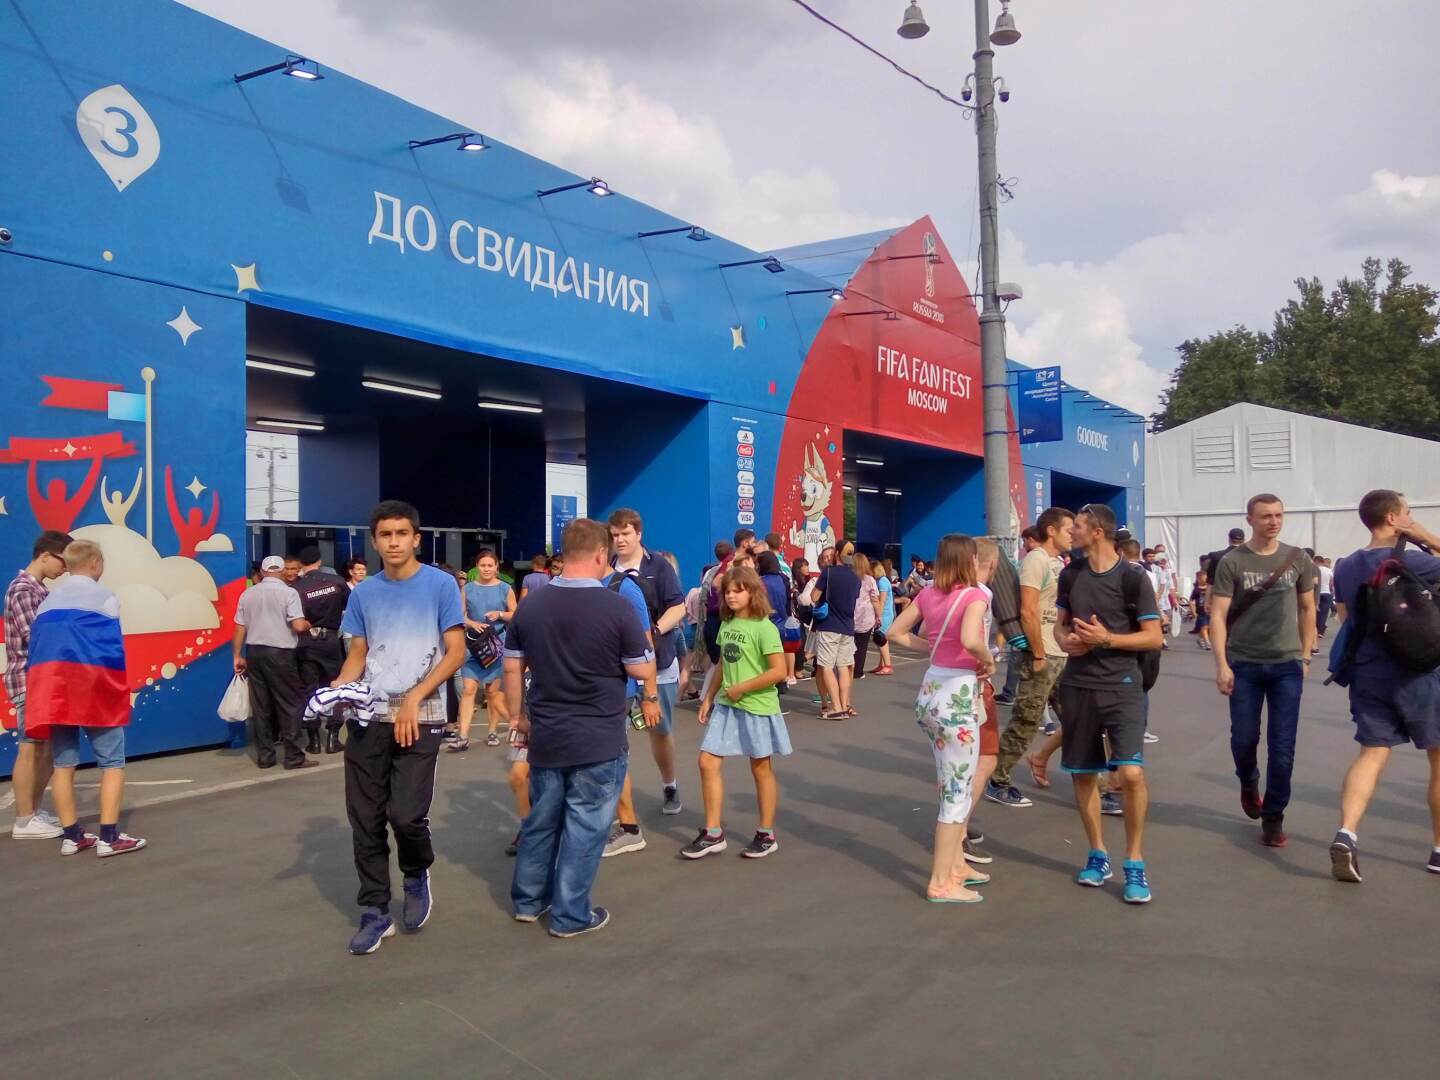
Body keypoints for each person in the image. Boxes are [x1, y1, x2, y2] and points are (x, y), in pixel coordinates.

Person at [504, 518, 657, 937]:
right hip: (598, 735)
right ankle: (570, 914)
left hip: (546, 731)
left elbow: (512, 668)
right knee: (586, 827)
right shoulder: (617, 606)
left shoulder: (531, 605)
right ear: (601, 554)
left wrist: (518, 717)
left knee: (542, 820)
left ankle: (528, 901)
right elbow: (642, 668)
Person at [328, 501, 465, 955]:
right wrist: (338, 688)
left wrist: (414, 697)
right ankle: (374, 910)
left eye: (401, 533)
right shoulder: (363, 593)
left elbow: (456, 652)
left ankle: (415, 872)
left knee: (405, 815)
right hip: (369, 716)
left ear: (416, 538)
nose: (393, 542)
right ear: (374, 541)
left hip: (420, 714)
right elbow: (358, 654)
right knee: (365, 818)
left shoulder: (440, 585)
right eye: (385, 534)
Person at [1328, 490, 1440, 882]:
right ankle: (1439, 850)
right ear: (1392, 518)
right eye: (1407, 512)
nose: (1411, 518)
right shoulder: (1415, 560)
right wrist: (1426, 536)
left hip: (1369, 673)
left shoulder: (1346, 567)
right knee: (1438, 758)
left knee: (1371, 754)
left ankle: (1347, 832)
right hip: (1421, 672)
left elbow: (1345, 617)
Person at [1053, 503, 1163, 904]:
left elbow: (1153, 637)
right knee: (1084, 774)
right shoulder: (1070, 574)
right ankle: (1098, 854)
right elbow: (1060, 626)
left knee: (1130, 774)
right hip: (1078, 684)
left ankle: (1135, 861)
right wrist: (1066, 641)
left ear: (1097, 532)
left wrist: (1107, 640)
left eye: (1078, 526)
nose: (1071, 531)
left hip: (1123, 685)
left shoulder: (1134, 578)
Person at [887, 534, 994, 903]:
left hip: (931, 691)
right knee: (956, 792)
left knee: (951, 783)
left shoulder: (929, 593)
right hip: (958, 697)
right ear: (970, 559)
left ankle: (956, 867)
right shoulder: (976, 595)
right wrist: (989, 659)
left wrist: (931, 647)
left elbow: (895, 632)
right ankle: (941, 881)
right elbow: (970, 638)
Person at [1208, 494, 1317, 848]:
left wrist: (1305, 656)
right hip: (1244, 665)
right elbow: (1218, 615)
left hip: (1287, 665)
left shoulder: (1298, 558)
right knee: (1244, 738)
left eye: (1279, 515)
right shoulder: (1233, 561)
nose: (1274, 521)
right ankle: (1248, 779)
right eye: (1266, 516)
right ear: (1250, 520)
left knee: (1283, 746)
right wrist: (1222, 664)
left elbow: (1308, 608)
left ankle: (1274, 816)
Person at [25, 539, 146, 856]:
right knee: (113, 764)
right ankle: (109, 837)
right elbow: (111, 648)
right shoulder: (105, 597)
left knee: (63, 765)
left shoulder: (47, 603)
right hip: (95, 691)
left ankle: (72, 836)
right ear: (95, 564)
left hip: (55, 693)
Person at [686, 565, 792, 858]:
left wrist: (743, 687)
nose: (731, 596)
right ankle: (713, 832)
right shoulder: (727, 624)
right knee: (707, 761)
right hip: (727, 705)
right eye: (727, 592)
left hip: (757, 707)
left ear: (752, 592)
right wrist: (708, 698)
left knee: (760, 768)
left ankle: (766, 834)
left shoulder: (764, 628)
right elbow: (722, 665)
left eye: (738, 591)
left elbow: (778, 671)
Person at [987, 507, 1074, 807]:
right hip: (1042, 653)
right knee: (1026, 720)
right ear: (1051, 530)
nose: (1073, 535)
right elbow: (1028, 610)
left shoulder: (1058, 562)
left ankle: (1097, 785)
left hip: (1061, 653)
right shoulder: (1036, 560)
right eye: (1068, 530)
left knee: (1077, 720)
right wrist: (1037, 653)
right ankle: (997, 779)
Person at [6, 530, 72, 840]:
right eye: (62, 561)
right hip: (30, 679)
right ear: (45, 555)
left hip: (43, 680)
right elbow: (36, 637)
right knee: (30, 748)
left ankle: (31, 812)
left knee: (44, 748)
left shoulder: (39, 589)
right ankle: (24, 820)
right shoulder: (23, 589)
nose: (65, 569)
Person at [233, 555, 315, 771]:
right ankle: (293, 756)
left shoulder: (248, 594)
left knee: (261, 706)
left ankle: (265, 757)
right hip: (281, 653)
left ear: (262, 572)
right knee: (290, 704)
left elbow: (240, 627)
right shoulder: (289, 593)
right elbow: (298, 626)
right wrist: (308, 624)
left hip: (254, 652)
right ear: (281, 571)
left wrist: (237, 655)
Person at [451, 550, 516, 752]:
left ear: (496, 567)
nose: (486, 569)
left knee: (492, 691)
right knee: (469, 689)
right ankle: (463, 735)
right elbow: (459, 615)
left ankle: (493, 730)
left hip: (496, 646)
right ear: (476, 567)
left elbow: (516, 614)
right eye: (482, 565)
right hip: (473, 646)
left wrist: (500, 614)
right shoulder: (467, 589)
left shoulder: (505, 588)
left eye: (490, 565)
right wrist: (471, 623)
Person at [293, 546, 350, 755]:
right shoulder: (337, 582)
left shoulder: (296, 587)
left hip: (306, 642)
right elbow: (350, 607)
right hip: (331, 642)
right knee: (334, 687)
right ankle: (333, 738)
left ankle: (313, 740)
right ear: (319, 561)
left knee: (309, 690)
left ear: (301, 564)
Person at [806, 543, 862, 720]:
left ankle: (836, 707)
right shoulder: (856, 578)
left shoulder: (829, 572)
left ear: (837, 553)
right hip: (848, 627)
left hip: (829, 625)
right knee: (843, 667)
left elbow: (814, 596)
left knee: (827, 667)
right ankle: (844, 705)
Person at [851, 552, 882, 679]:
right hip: (866, 616)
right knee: (862, 646)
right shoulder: (870, 580)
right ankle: (858, 671)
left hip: (850, 614)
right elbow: (875, 599)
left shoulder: (849, 578)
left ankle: (847, 668)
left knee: (848, 644)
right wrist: (878, 615)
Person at [872, 560, 896, 676]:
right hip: (884, 613)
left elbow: (882, 600)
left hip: (885, 614)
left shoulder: (882, 582)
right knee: (880, 639)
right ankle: (882, 664)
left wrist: (879, 615)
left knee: (880, 638)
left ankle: (888, 665)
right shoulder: (881, 581)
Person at [1315, 556, 1334, 644]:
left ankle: (1315, 629)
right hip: (1327, 593)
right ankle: (1320, 631)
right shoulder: (1328, 570)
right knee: (1323, 613)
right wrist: (1330, 590)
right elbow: (1331, 583)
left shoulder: (1316, 569)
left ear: (1316, 561)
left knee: (1315, 612)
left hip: (1317, 593)